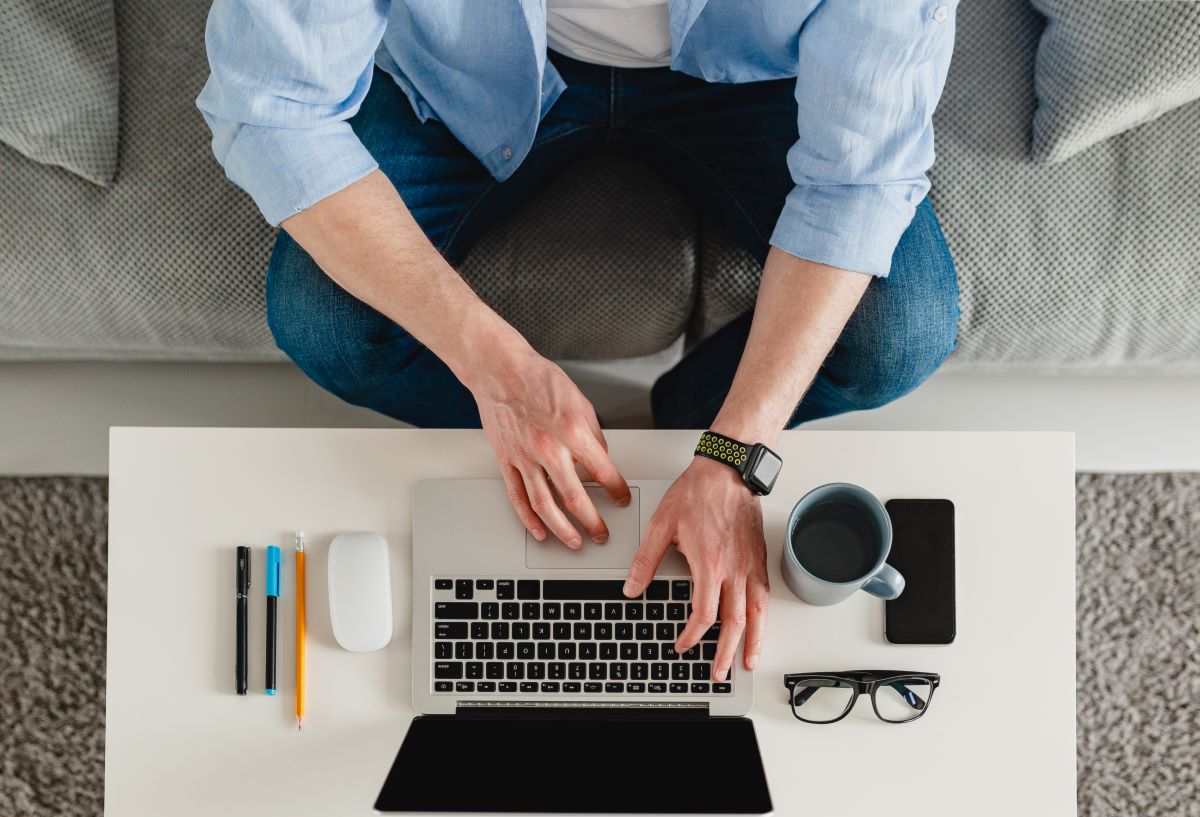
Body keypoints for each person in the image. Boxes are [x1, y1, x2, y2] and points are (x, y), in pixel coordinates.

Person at [197, 0, 960, 684]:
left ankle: (673, 440)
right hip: (472, 67)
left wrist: (735, 451)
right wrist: (496, 367)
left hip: (750, 75)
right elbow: (272, 105)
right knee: (323, 320)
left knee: (900, 329)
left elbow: (859, 180)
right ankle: (540, 455)